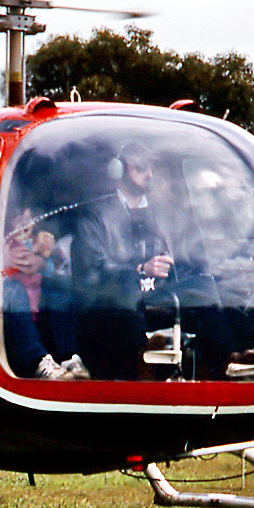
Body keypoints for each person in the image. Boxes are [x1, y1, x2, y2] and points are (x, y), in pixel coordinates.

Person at [71, 142, 175, 379]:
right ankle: (145, 365)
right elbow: (92, 270)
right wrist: (140, 269)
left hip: (160, 296)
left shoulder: (162, 214)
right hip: (113, 303)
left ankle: (232, 362)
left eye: (151, 168)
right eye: (141, 168)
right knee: (127, 294)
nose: (149, 174)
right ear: (118, 170)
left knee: (205, 287)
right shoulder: (96, 214)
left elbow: (186, 253)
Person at [1, 209, 89, 380]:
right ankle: (38, 362)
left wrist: (51, 251)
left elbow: (57, 265)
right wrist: (35, 250)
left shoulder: (39, 239)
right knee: (13, 288)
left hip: (41, 304)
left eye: (29, 218)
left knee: (60, 285)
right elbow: (22, 262)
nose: (24, 223)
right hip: (15, 313)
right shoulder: (6, 242)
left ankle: (69, 357)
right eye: (18, 218)